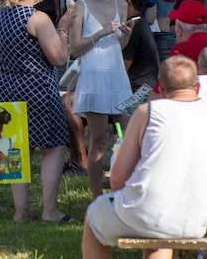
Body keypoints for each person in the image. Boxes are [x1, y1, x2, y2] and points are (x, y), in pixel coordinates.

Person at [81, 56, 207, 259]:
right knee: (156, 232)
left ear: (162, 90)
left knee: (94, 216)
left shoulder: (148, 112)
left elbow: (117, 178)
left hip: (147, 212)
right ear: (198, 87)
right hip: (197, 219)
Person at [0, 0, 70, 223]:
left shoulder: (0, 16)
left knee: (17, 150)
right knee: (53, 147)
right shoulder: (38, 18)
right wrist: (65, 29)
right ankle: (49, 211)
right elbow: (58, 57)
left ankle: (21, 212)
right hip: (37, 88)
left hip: (5, 87)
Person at [68, 0, 134, 197]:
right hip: (94, 75)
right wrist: (101, 32)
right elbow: (75, 48)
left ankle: (126, 189)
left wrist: (126, 33)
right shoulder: (82, 6)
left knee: (130, 136)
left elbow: (122, 44)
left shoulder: (121, 5)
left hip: (117, 74)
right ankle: (97, 196)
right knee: (98, 140)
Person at [117, 0, 159, 95]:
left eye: (115, 0)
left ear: (128, 1)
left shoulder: (132, 26)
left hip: (137, 91)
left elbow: (123, 68)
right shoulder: (138, 21)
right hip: (145, 87)